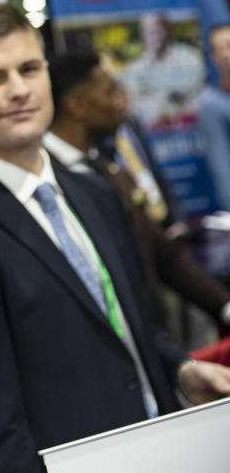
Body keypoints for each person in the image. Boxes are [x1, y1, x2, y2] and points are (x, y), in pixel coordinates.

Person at [0, 2, 230, 473]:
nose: (18, 89)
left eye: (29, 69)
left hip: (174, 465)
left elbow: (122, 323)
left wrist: (179, 370)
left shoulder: (95, 192)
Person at [44, 48, 230, 336]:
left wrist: (224, 306)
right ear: (78, 105)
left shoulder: (110, 173)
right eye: (111, 91)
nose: (122, 102)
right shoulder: (46, 185)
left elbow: (164, 254)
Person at [118, 12, 205, 129]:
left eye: (157, 29)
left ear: (167, 30)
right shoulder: (136, 67)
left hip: (188, 127)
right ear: (143, 34)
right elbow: (132, 103)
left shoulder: (189, 57)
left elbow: (200, 94)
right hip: (152, 131)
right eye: (148, 31)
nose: (154, 35)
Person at [198, 23, 230, 210]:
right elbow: (222, 168)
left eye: (229, 45)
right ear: (213, 58)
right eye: (219, 50)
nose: (226, 54)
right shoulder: (211, 105)